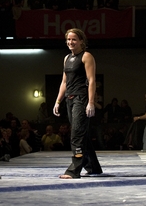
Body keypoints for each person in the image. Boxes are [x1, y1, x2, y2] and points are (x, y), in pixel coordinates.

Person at [53, 28, 103, 179]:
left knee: (76, 134)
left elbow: (92, 80)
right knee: (82, 134)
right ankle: (93, 167)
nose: (70, 42)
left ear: (81, 41)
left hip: (81, 99)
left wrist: (91, 103)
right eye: (68, 39)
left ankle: (74, 170)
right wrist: (57, 101)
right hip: (69, 99)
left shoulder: (86, 56)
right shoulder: (67, 58)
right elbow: (64, 82)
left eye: (74, 39)